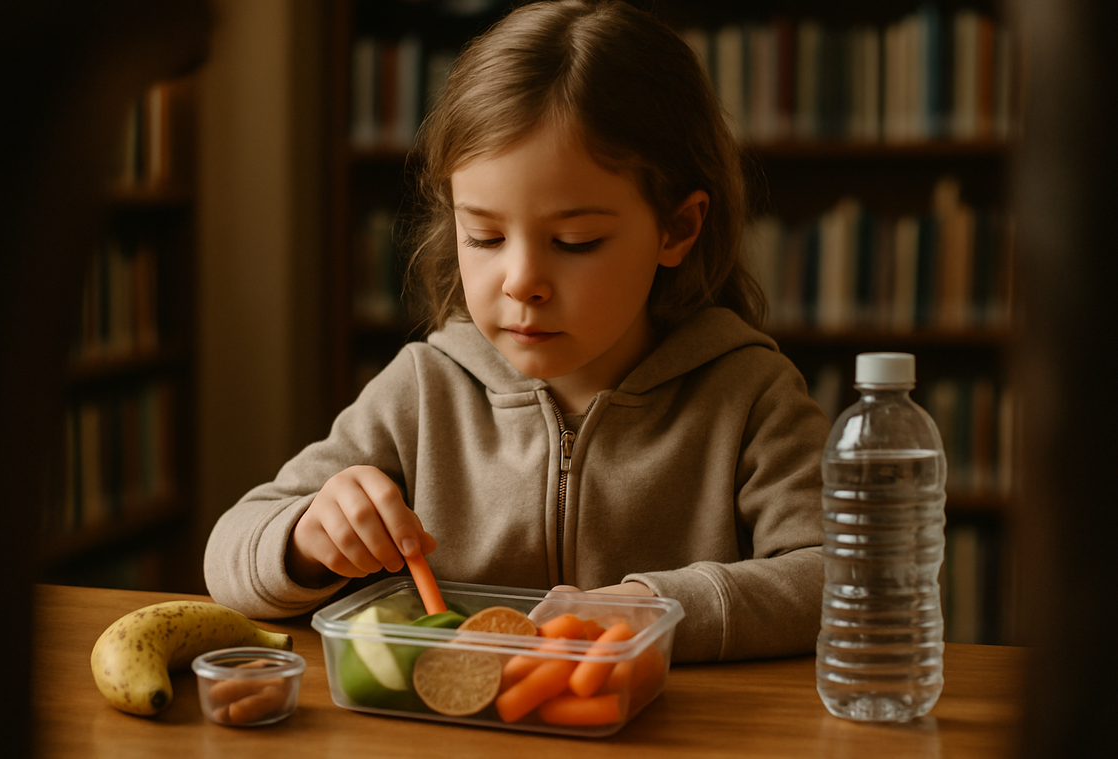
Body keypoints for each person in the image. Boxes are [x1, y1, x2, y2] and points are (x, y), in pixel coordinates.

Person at [204, 0, 829, 663]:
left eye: (574, 240)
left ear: (676, 228)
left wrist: (656, 608)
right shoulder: (425, 389)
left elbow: (847, 576)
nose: (520, 280)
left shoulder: (750, 393)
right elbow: (228, 553)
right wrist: (306, 538)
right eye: (485, 235)